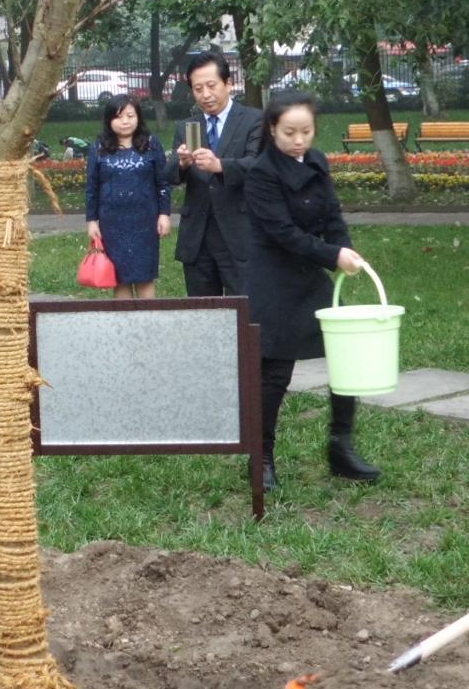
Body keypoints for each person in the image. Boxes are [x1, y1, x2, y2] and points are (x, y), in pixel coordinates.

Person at [242, 91, 379, 491]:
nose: (299, 140)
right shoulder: (261, 173)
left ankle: (341, 447)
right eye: (289, 132)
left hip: (313, 279)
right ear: (272, 129)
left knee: (344, 363)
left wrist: (345, 248)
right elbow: (283, 233)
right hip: (275, 281)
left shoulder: (317, 163)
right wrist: (331, 255)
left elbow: (331, 215)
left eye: (306, 132)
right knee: (275, 374)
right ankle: (261, 457)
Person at [172, 49, 261, 295]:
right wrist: (181, 164)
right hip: (198, 236)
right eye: (198, 88)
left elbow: (258, 166)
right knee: (202, 315)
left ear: (228, 84)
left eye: (211, 85)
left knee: (245, 313)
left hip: (239, 232)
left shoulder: (254, 120)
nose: (205, 95)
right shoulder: (186, 126)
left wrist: (219, 165)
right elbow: (169, 174)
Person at [85, 96, 171, 298]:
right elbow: (92, 187)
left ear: (138, 118)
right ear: (109, 120)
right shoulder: (98, 148)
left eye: (130, 116)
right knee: (119, 277)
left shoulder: (151, 144)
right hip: (112, 223)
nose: (125, 121)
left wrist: (164, 214)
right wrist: (91, 221)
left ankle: (148, 324)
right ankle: (125, 325)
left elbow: (163, 182)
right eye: (119, 117)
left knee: (144, 276)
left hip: (145, 221)